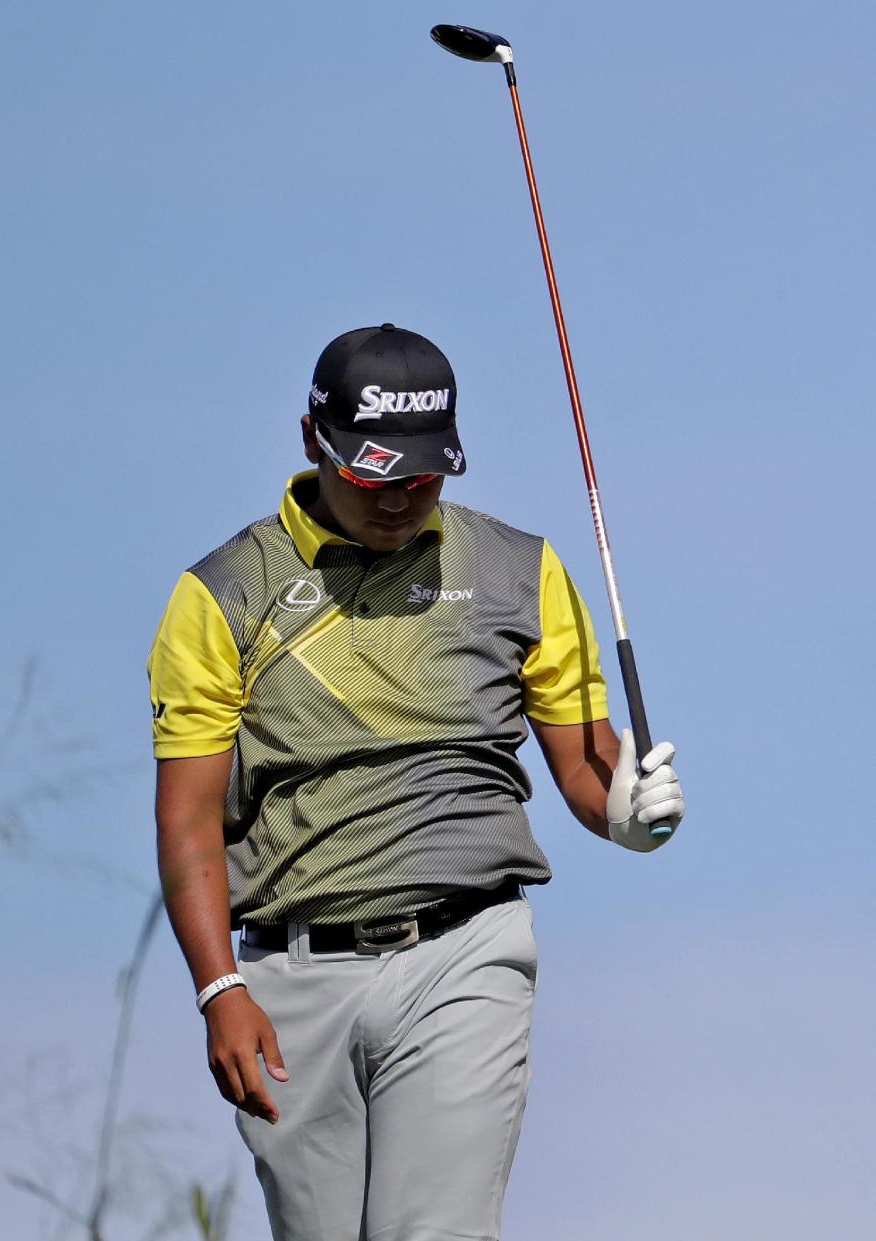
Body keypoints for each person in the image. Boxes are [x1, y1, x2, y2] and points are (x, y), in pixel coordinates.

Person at [148, 323, 684, 1241]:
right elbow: (190, 816)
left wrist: (626, 810)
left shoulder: (521, 570)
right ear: (315, 440)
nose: (400, 497)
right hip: (290, 968)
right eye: (374, 475)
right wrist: (217, 989)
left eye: (424, 475)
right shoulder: (225, 592)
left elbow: (587, 768)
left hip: (464, 947)